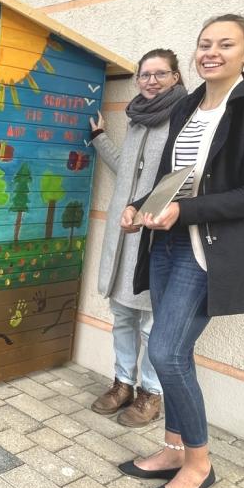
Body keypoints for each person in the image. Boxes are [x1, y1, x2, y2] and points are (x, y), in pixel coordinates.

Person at [118, 15, 244, 488]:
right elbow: (173, 175)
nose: (212, 52)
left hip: (209, 250)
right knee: (175, 353)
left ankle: (199, 465)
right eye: (204, 44)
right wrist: (141, 204)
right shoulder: (188, 104)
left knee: (165, 353)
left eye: (226, 44)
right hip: (168, 243)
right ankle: (173, 449)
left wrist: (185, 210)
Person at [88, 50, 187, 427]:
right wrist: (99, 139)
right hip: (123, 233)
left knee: (151, 320)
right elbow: (126, 169)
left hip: (155, 231)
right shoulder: (136, 120)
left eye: (160, 74)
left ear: (176, 77)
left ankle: (151, 393)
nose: (151, 81)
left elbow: (184, 176)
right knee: (123, 316)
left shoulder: (183, 118)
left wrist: (154, 211)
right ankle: (123, 384)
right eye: (145, 75)